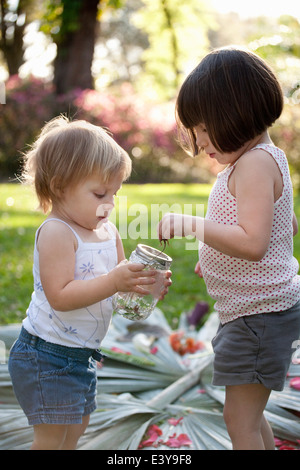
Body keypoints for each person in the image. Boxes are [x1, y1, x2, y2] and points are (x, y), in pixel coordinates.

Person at [158, 46, 300, 450]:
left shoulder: (254, 164)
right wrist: (221, 259)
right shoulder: (261, 160)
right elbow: (283, 227)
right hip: (256, 313)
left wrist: (193, 226)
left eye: (203, 128)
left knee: (240, 421)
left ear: (234, 113)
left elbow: (254, 242)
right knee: (247, 418)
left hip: (260, 318)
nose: (200, 141)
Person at [8, 116, 171, 450]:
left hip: (81, 356)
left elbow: (118, 285)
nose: (109, 204)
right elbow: (61, 296)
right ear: (59, 186)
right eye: (99, 193)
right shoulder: (57, 232)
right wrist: (114, 281)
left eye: (114, 194)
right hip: (45, 357)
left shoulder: (107, 232)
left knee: (76, 430)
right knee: (51, 439)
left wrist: (144, 285)